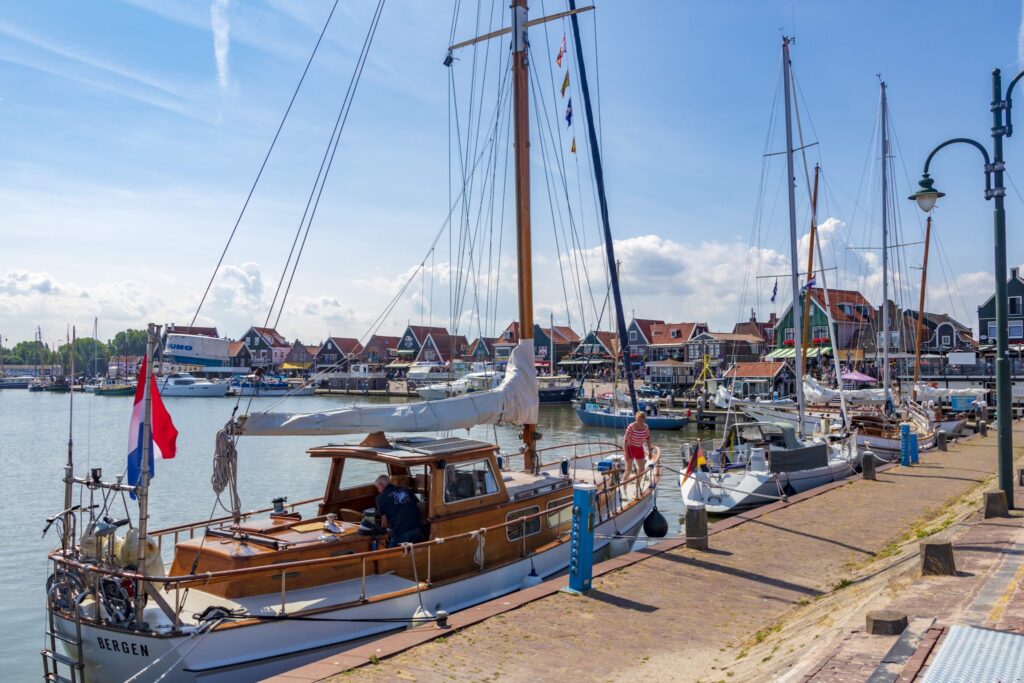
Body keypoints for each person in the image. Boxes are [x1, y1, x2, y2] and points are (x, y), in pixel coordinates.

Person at [374, 474, 422, 547]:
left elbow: (385, 524)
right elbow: (419, 506)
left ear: (381, 485)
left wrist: (381, 531)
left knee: (389, 555)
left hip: (400, 532)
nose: (378, 491)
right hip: (416, 528)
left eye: (377, 488)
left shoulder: (380, 498)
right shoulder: (406, 490)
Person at [623, 411, 652, 480]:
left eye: (642, 420)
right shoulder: (631, 426)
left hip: (639, 448)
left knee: (642, 470)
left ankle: (637, 487)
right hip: (630, 448)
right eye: (638, 420)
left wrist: (650, 451)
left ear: (644, 420)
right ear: (636, 418)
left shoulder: (646, 427)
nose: (640, 422)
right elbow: (625, 440)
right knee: (628, 470)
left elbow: (648, 439)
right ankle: (623, 487)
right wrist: (626, 452)